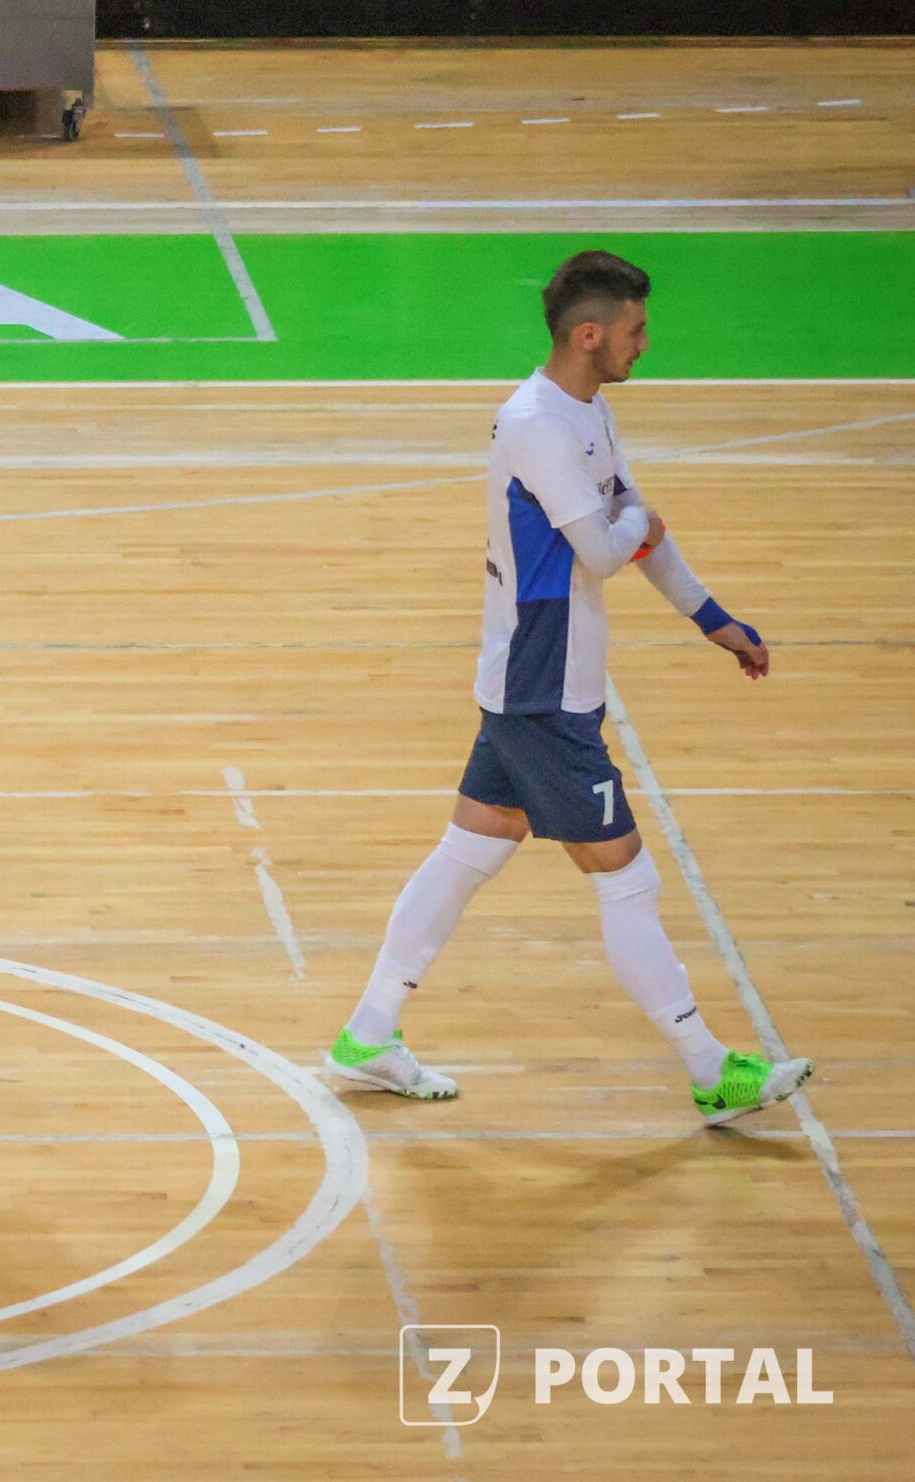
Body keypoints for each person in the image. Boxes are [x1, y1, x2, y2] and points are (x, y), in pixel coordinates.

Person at [326, 250, 813, 1127]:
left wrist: (713, 619)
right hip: (542, 688)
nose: (644, 344)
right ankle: (711, 1069)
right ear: (589, 335)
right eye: (635, 331)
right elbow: (606, 547)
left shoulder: (590, 410)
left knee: (469, 852)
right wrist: (635, 524)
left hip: (541, 682)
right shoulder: (537, 425)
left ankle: (367, 1036)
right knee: (626, 880)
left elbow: (638, 528)